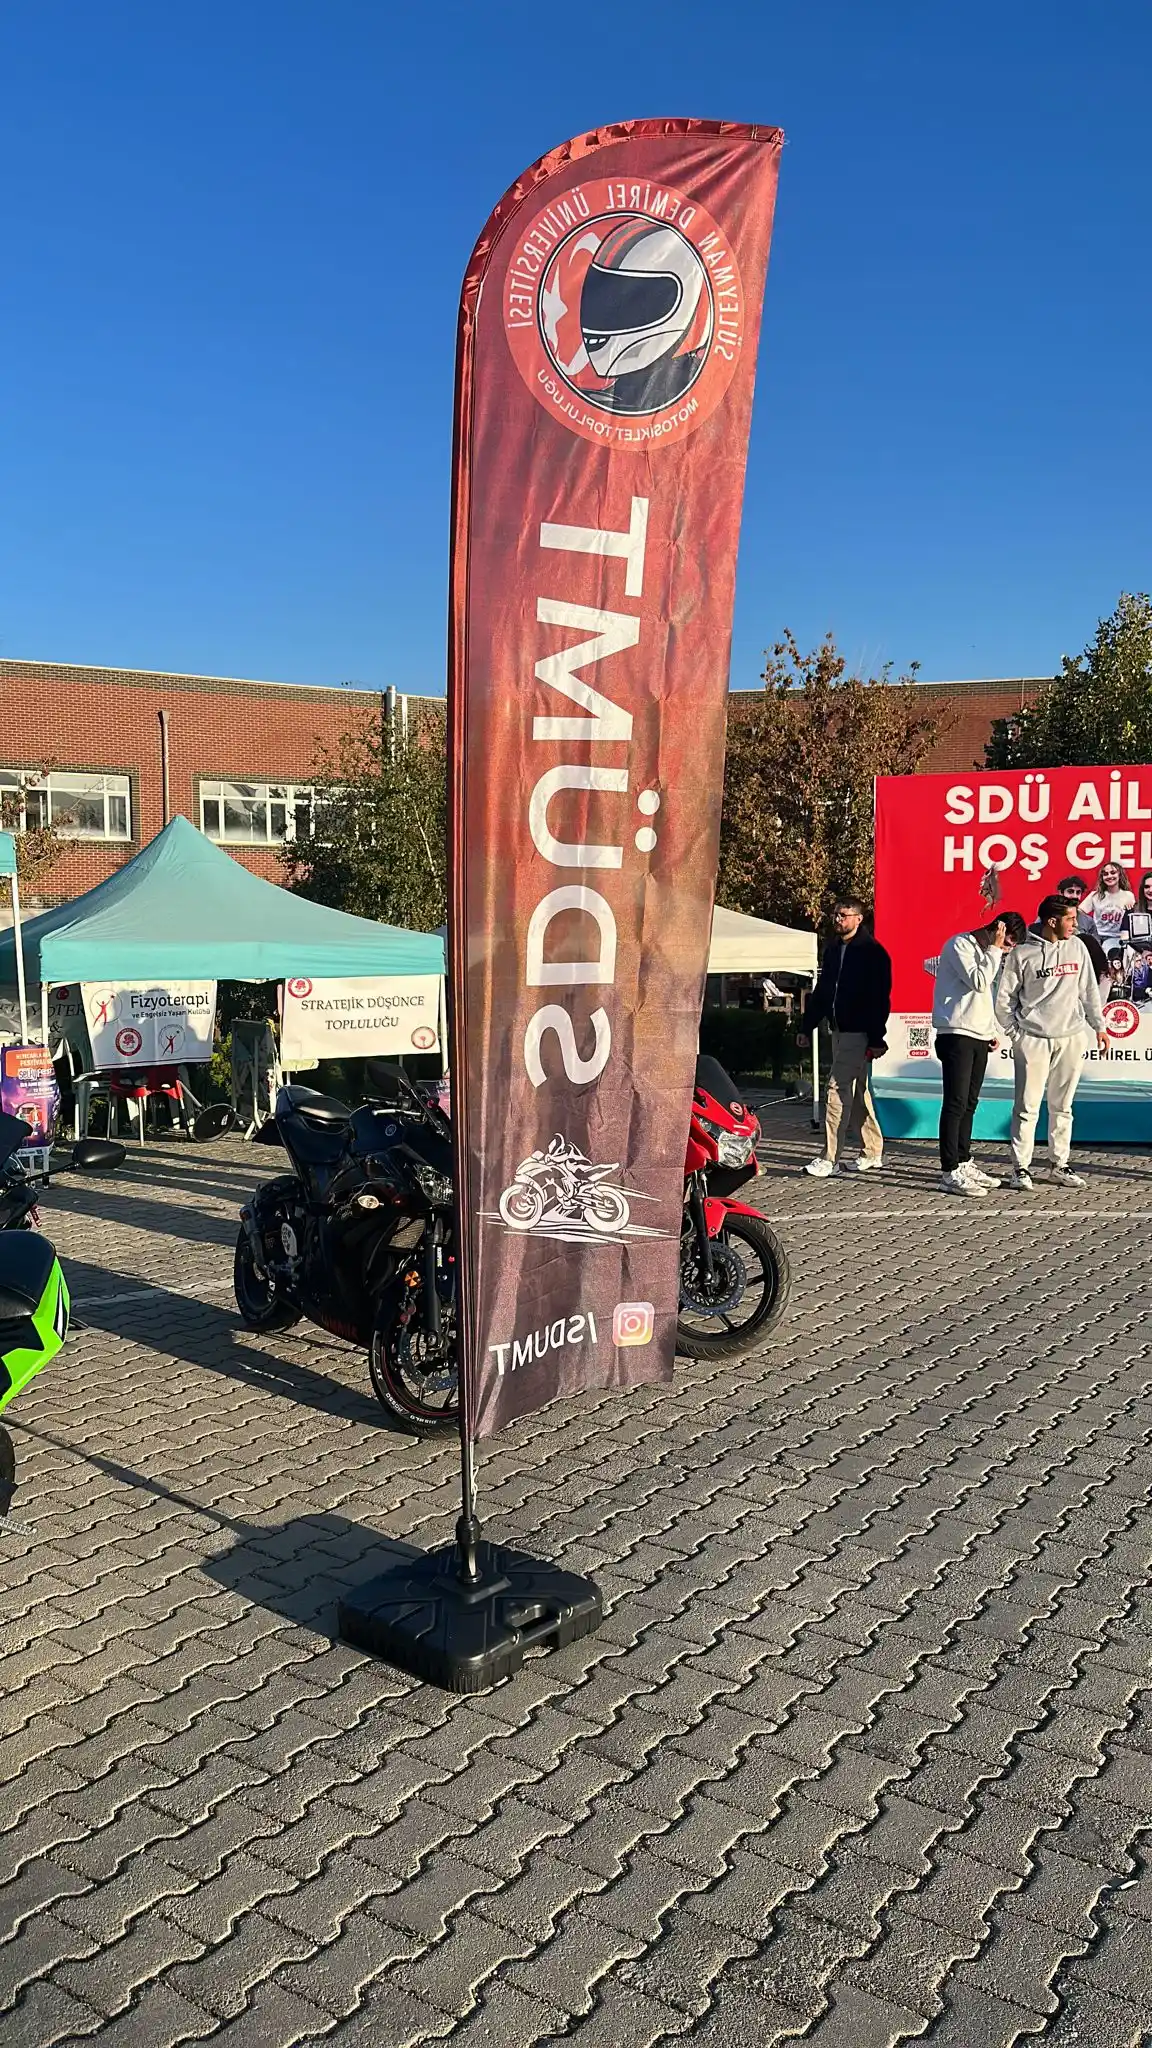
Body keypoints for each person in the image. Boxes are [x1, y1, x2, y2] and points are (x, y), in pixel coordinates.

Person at [994, 894, 1108, 1191]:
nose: (1075, 924)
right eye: (1070, 919)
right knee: (1027, 1107)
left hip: (1071, 1037)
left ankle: (1059, 1164)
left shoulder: (1078, 946)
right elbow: (1004, 998)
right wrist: (1016, 1034)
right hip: (1033, 1040)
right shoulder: (1022, 953)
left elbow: (1089, 989)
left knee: (1063, 1106)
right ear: (1052, 921)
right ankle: (1020, 1168)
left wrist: (1099, 1026)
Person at [932, 911, 1028, 1197]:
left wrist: (989, 1031)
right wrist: (996, 948)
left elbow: (983, 997)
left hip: (978, 1035)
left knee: (970, 1103)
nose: (1008, 949)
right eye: (1008, 942)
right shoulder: (960, 944)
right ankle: (949, 1171)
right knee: (955, 1102)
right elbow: (978, 981)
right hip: (956, 1034)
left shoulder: (990, 953)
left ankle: (963, 1161)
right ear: (998, 930)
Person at [797, 898, 891, 1177]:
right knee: (858, 1090)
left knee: (836, 1089)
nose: (838, 920)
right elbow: (823, 993)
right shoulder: (833, 949)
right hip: (837, 1029)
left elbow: (879, 999)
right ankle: (872, 1151)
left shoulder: (873, 953)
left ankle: (830, 1158)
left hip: (858, 1032)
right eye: (835, 915)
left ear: (859, 919)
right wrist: (806, 1026)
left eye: (844, 915)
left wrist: (876, 1038)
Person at [1080, 861, 1135, 947]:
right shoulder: (1095, 895)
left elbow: (1131, 918)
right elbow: (1080, 912)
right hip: (1096, 936)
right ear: (1102, 878)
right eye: (1105, 874)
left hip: (1116, 938)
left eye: (1113, 873)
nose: (1109, 876)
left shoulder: (1128, 895)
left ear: (1120, 875)